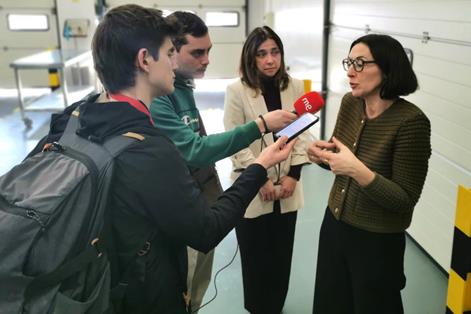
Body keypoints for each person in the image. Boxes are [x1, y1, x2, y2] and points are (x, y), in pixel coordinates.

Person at [28, 5, 296, 313]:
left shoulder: (76, 116)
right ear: (144, 60)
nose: (175, 63)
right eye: (170, 53)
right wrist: (260, 166)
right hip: (142, 291)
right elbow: (205, 229)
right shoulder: (150, 147)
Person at [150, 12, 297, 312]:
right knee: (183, 288)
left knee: (197, 288)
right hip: (178, 209)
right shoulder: (160, 97)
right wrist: (260, 128)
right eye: (197, 53)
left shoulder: (183, 88)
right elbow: (197, 148)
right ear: (169, 51)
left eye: (209, 51)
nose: (206, 60)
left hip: (200, 204)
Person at [308, 34, 431, 314]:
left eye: (360, 63)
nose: (351, 71)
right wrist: (320, 156)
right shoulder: (352, 104)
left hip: (377, 241)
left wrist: (358, 170)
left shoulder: (411, 122)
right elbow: (342, 159)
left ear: (388, 68)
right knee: (330, 302)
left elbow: (404, 199)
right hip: (335, 224)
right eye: (349, 62)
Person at [223, 26, 310, 314]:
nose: (270, 60)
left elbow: (301, 132)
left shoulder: (295, 86)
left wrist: (293, 176)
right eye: (262, 54)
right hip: (252, 189)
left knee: (281, 256)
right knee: (256, 259)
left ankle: (276, 306)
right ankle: (258, 308)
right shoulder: (237, 91)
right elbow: (235, 141)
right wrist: (259, 178)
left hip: (286, 190)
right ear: (251, 58)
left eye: (275, 52)